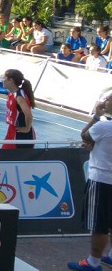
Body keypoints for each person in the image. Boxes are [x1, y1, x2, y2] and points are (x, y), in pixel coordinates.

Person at [67, 91, 112, 271]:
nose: (105, 100)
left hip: (102, 179)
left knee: (99, 225)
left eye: (109, 99)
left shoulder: (104, 127)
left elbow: (84, 135)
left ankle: (93, 262)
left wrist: (96, 116)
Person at [1, 69, 36, 149]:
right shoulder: (12, 93)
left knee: (7, 158)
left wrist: (27, 129)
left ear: (11, 80)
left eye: (4, 78)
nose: (2, 80)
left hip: (21, 134)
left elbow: (29, 115)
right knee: (3, 157)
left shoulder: (19, 97)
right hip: (13, 130)